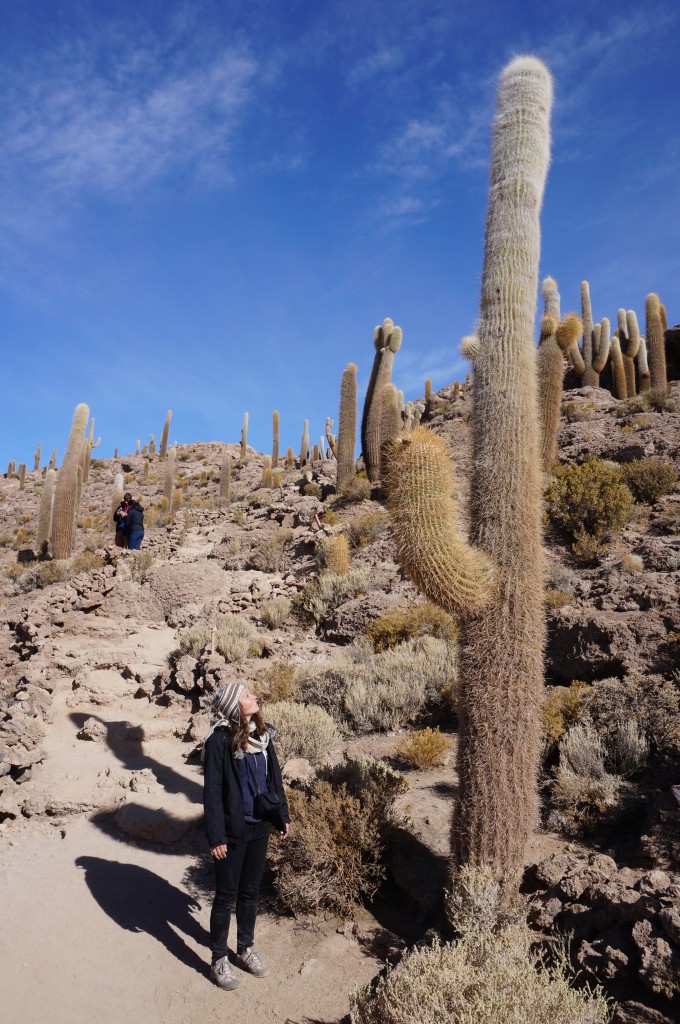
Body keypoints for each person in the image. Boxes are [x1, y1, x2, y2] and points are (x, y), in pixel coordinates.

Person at [202, 682, 291, 991]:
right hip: (231, 830)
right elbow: (212, 792)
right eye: (247, 696)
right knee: (226, 896)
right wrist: (216, 837)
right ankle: (218, 960)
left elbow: (274, 778)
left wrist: (282, 817)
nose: (254, 698)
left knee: (250, 892)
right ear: (233, 707)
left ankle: (245, 949)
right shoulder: (219, 741)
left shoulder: (262, 735)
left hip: (259, 826)